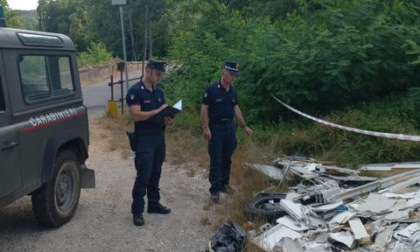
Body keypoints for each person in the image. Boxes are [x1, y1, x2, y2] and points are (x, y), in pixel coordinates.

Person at [126, 59, 174, 226]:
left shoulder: (159, 93)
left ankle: (154, 203)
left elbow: (161, 116)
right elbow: (136, 115)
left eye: (161, 74)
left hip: (159, 137)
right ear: (148, 70)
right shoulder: (135, 92)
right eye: (158, 74)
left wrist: (167, 119)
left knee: (156, 172)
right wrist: (158, 111)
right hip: (144, 139)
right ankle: (137, 210)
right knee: (143, 175)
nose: (159, 77)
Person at [201, 60, 252, 204]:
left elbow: (236, 108)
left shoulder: (233, 91)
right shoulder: (212, 90)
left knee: (227, 157)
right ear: (223, 72)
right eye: (231, 75)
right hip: (216, 127)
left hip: (230, 127)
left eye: (235, 75)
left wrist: (244, 126)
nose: (233, 78)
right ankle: (215, 190)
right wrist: (206, 127)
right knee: (216, 158)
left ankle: (224, 184)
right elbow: (204, 109)